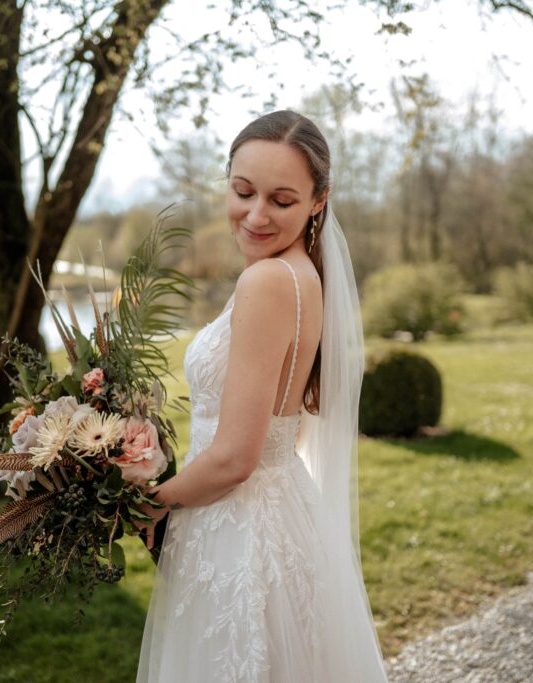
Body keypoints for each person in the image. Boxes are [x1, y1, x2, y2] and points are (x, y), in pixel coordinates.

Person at [135, 110, 389, 682]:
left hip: (239, 533)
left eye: (281, 200)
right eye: (243, 191)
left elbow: (235, 458)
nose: (255, 215)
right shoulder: (300, 273)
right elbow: (281, 425)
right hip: (272, 517)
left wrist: (150, 500)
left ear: (318, 200)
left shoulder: (269, 281)